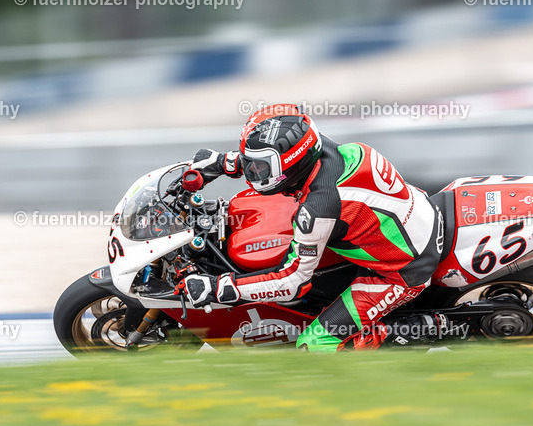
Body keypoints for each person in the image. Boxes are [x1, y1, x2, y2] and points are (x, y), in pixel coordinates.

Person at [179, 103, 443, 351]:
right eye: (251, 163)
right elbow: (285, 159)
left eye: (259, 166)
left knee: (313, 347)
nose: (253, 171)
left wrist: (219, 288)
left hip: (403, 272)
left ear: (290, 162)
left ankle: (420, 331)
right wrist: (224, 162)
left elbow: (293, 282)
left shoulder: (320, 207)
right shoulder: (317, 148)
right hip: (410, 218)